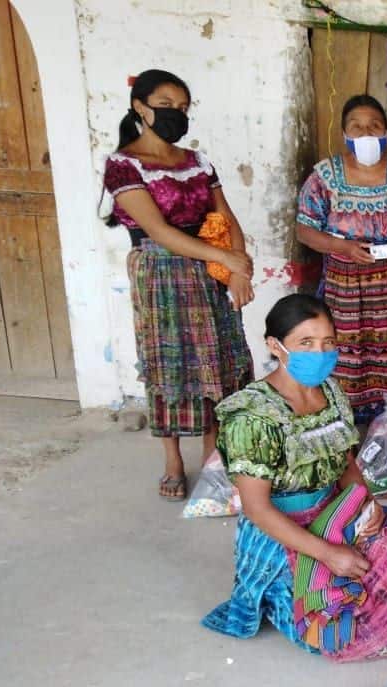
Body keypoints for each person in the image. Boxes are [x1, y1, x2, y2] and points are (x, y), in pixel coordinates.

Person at [202, 294, 387, 662]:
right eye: (306, 343)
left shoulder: (331, 392)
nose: (320, 352)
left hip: (331, 513)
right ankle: (276, 594)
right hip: (281, 530)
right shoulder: (252, 416)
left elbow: (346, 464)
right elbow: (256, 508)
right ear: (275, 346)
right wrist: (328, 554)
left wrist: (367, 505)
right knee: (336, 627)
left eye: (328, 342)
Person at [101, 69, 254, 500]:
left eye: (183, 108)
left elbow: (224, 218)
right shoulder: (122, 165)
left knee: (221, 361)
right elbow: (158, 230)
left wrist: (237, 270)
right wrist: (226, 259)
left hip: (209, 273)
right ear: (139, 107)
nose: (176, 114)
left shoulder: (198, 162)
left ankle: (212, 457)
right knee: (169, 364)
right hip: (161, 274)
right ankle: (172, 459)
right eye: (166, 104)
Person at [296, 94, 387, 425]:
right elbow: (305, 231)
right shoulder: (324, 177)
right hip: (344, 294)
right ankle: (345, 443)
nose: (366, 134)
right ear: (344, 134)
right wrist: (345, 248)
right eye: (357, 127)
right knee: (344, 371)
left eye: (375, 126)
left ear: (386, 134)